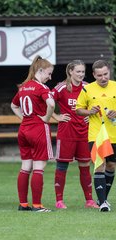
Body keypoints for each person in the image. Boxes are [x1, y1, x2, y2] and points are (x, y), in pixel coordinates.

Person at [10, 55, 55, 212]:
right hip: (38, 129)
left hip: (24, 130)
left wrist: (24, 118)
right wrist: (46, 119)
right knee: (38, 167)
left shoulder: (23, 87)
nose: (50, 77)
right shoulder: (41, 88)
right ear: (40, 70)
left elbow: (13, 105)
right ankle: (37, 205)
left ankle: (23, 204)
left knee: (25, 167)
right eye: (49, 73)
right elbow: (51, 103)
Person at [52, 60, 98, 209]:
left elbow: (95, 104)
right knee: (62, 165)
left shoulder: (88, 88)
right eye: (78, 71)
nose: (81, 74)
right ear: (70, 71)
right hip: (66, 132)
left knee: (85, 165)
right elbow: (45, 102)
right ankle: (59, 201)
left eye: (83, 72)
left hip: (84, 132)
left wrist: (90, 115)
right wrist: (56, 116)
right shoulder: (61, 88)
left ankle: (89, 201)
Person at [76, 59, 116, 212]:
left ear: (109, 72)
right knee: (99, 166)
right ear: (93, 75)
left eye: (105, 74)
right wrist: (89, 111)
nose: (103, 78)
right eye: (99, 75)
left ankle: (103, 198)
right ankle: (103, 202)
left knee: (111, 166)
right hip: (96, 134)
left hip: (113, 133)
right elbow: (78, 110)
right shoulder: (87, 90)